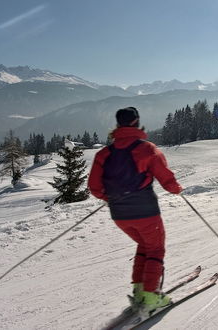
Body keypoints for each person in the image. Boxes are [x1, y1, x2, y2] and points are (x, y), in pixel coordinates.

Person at [88, 107, 182, 313]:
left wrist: (111, 198)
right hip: (146, 211)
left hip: (120, 215)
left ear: (119, 124)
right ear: (136, 122)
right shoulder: (146, 149)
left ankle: (140, 291)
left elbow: (94, 187)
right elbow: (165, 177)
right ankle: (150, 297)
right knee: (155, 249)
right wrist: (177, 190)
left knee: (144, 245)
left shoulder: (104, 154)